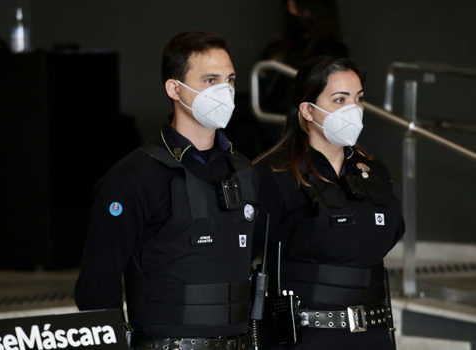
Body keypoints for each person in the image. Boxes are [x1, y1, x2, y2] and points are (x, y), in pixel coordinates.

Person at [74, 31, 258, 349]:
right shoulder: (133, 177)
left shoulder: (243, 170)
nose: (224, 91)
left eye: (229, 79)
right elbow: (96, 288)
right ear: (174, 88)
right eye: (210, 80)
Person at [253, 57, 405, 349]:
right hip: (306, 336)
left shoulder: (373, 173)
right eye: (339, 99)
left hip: (373, 333)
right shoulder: (274, 174)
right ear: (308, 110)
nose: (353, 109)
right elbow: (244, 252)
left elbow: (391, 233)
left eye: (358, 98)